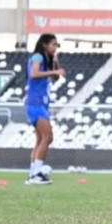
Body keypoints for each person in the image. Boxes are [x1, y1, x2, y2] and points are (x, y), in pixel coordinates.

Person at [24, 33, 65, 185]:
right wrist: (54, 71)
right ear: (44, 45)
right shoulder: (37, 57)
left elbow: (55, 77)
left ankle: (33, 173)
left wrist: (55, 64)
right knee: (47, 137)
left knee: (40, 139)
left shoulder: (46, 60)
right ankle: (36, 173)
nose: (55, 47)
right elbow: (33, 74)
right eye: (53, 44)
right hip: (35, 103)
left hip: (39, 103)